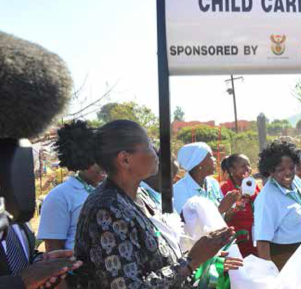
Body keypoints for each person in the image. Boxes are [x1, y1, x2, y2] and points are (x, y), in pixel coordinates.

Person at [66, 120, 242, 289]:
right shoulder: (106, 209)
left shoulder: (139, 195)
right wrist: (192, 261)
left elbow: (158, 262)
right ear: (125, 159)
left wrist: (205, 259)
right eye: (149, 145)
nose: (156, 152)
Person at [38, 120, 107, 252]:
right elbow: (54, 250)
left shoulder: (112, 190)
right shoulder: (59, 196)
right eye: (95, 161)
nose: (103, 166)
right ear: (80, 159)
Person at [253, 140, 301, 271]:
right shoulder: (266, 198)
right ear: (270, 171)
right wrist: (269, 273)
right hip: (283, 257)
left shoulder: (296, 181)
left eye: (291, 168)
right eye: (281, 169)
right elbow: (262, 241)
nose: (288, 173)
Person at [173, 142, 237, 215]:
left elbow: (223, 217)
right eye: (210, 156)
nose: (214, 159)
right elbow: (188, 223)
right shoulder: (178, 190)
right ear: (198, 162)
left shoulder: (213, 183)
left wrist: (233, 207)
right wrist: (221, 209)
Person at [219, 153, 260, 258]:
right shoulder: (224, 189)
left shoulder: (254, 185)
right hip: (237, 243)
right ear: (232, 170)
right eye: (243, 166)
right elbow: (221, 218)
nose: (248, 169)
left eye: (249, 165)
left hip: (256, 239)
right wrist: (236, 207)